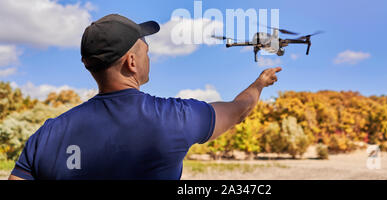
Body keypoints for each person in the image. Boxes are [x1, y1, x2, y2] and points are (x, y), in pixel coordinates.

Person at [9, 14, 282, 180]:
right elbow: (238, 110)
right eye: (146, 50)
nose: (149, 55)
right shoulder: (174, 118)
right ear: (131, 62)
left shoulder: (47, 134)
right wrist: (259, 84)